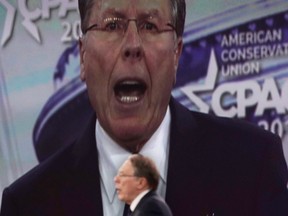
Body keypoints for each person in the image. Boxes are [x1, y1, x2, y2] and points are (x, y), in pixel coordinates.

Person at [1, 0, 288, 215]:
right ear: (83, 57)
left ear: (176, 55)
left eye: (150, 25)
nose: (132, 45)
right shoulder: (27, 203)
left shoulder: (253, 166)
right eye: (112, 25)